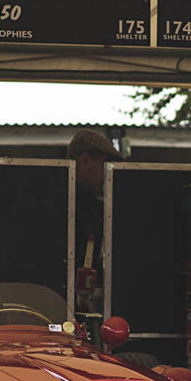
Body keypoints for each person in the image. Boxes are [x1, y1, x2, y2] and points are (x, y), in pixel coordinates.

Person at [68, 128, 124, 312]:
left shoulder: (90, 204)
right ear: (84, 160)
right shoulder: (82, 205)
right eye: (104, 164)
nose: (107, 172)